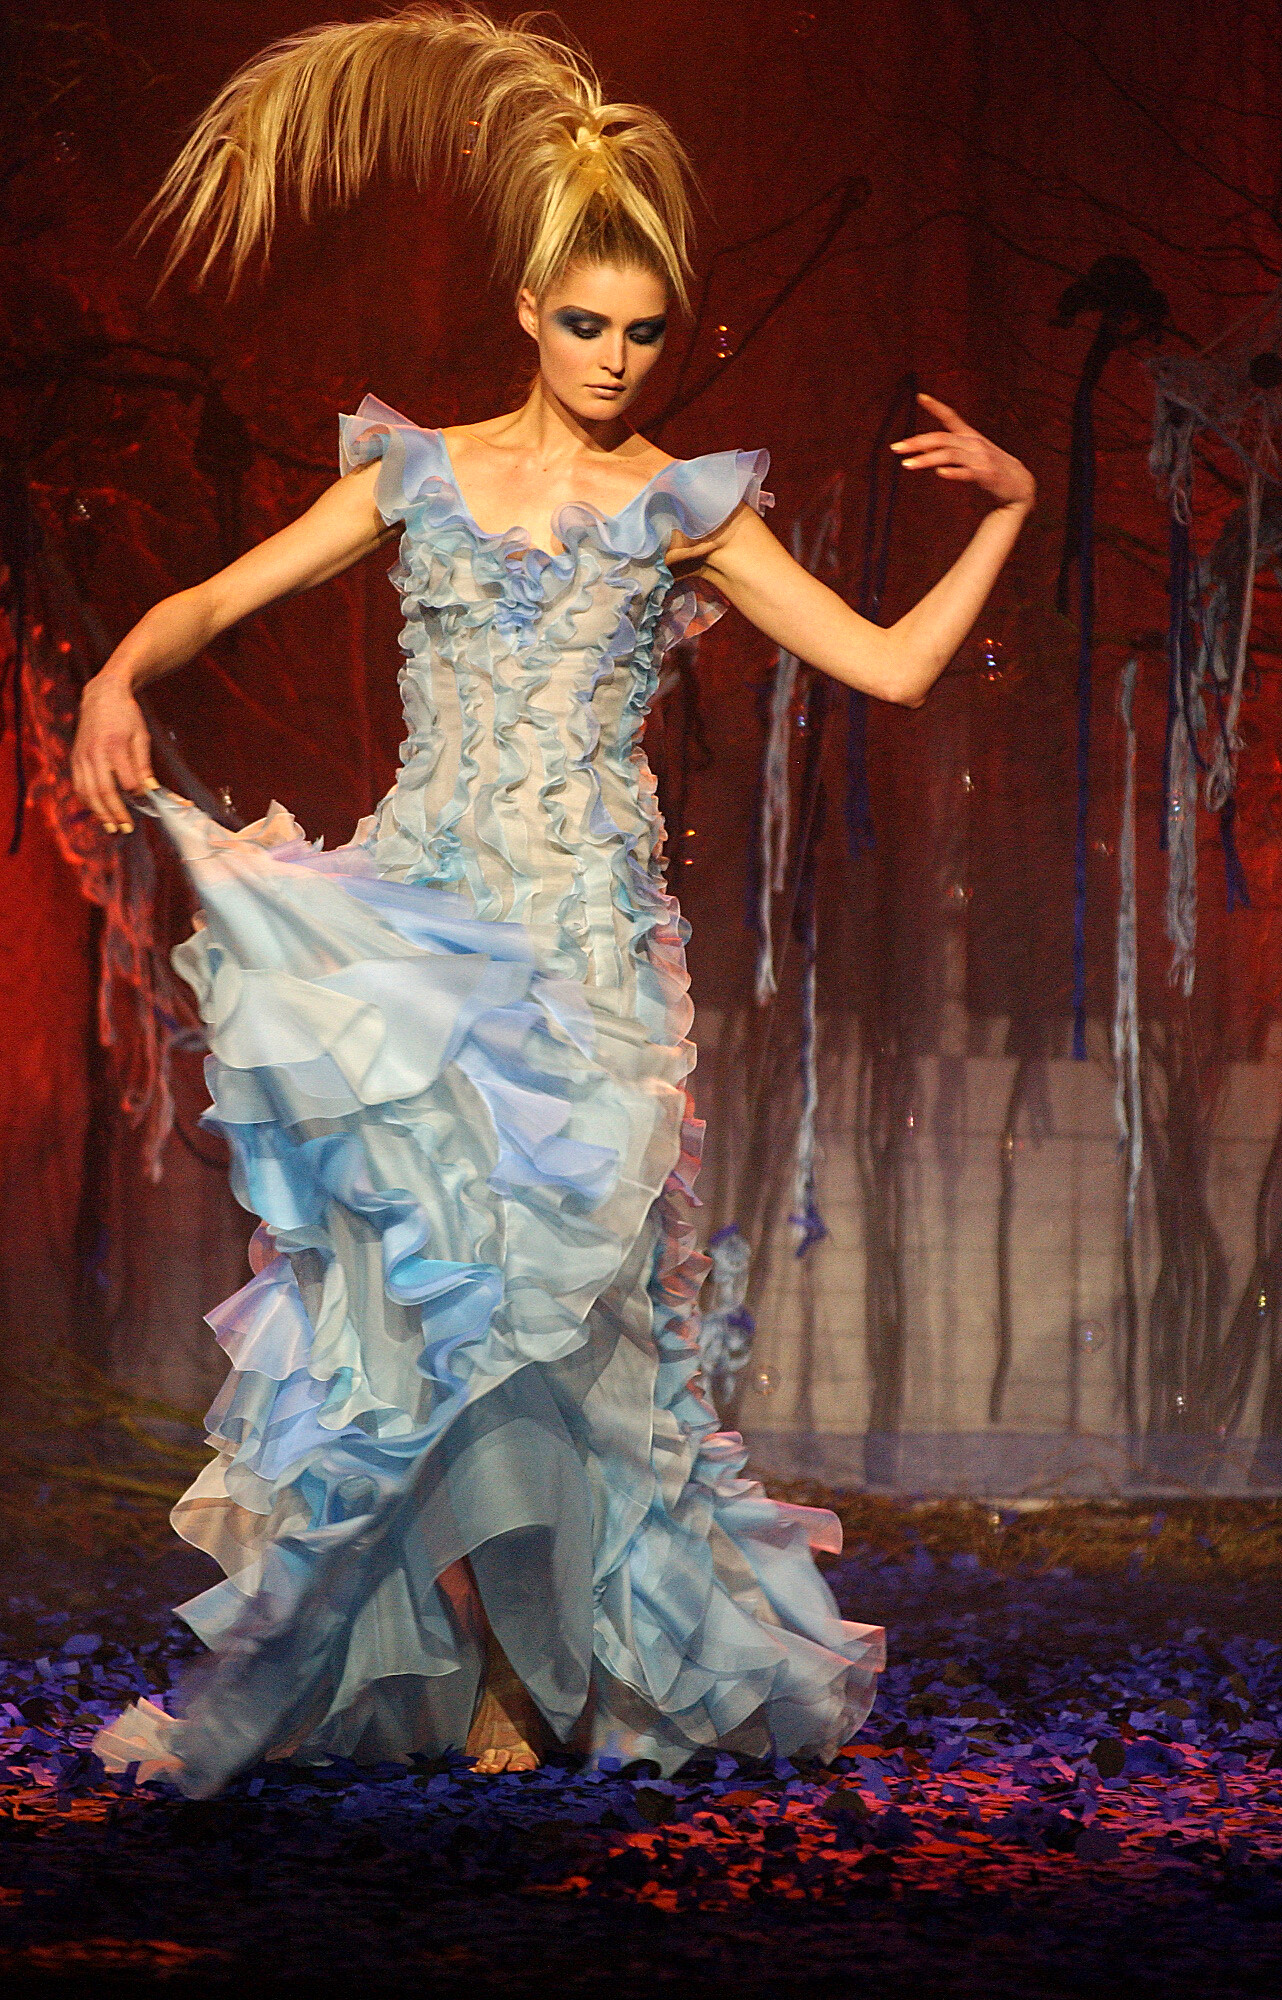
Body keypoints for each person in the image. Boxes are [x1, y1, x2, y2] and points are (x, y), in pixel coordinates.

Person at [72, 5, 1034, 1797]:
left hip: (589, 960)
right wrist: (120, 671)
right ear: (528, 309)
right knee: (425, 1309)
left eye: (644, 332)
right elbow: (214, 598)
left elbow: (892, 668)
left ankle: (532, 1674)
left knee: (572, 1318)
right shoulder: (419, 473)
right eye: (586, 323)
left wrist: (1010, 510)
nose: (613, 359)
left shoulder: (680, 507)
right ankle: (475, 1664)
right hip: (426, 937)